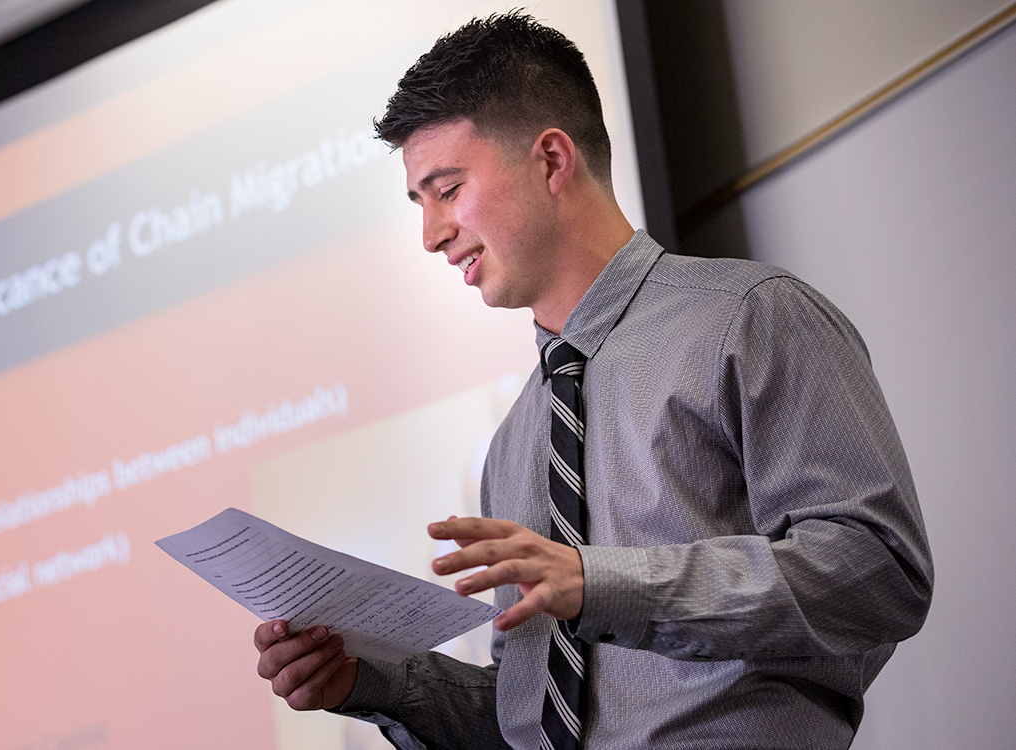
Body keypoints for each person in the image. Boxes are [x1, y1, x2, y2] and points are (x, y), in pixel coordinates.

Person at [251, 11, 933, 750]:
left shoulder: (749, 319)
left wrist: (602, 585)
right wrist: (366, 680)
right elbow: (528, 721)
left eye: (446, 189)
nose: (431, 235)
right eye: (418, 204)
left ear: (550, 160)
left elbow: (878, 571)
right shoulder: (514, 446)